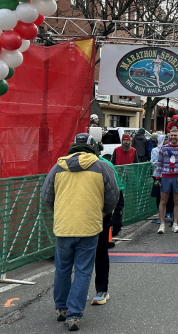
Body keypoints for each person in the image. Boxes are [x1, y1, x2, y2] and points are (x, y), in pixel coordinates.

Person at [41, 133, 119, 332]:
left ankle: (61, 308)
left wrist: (59, 213)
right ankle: (74, 314)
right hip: (89, 226)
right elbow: (113, 196)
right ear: (93, 148)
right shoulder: (102, 167)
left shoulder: (58, 166)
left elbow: (47, 196)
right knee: (83, 270)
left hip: (64, 226)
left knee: (62, 268)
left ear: (73, 147)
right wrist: (102, 213)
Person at [92, 137, 125, 307]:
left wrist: (113, 215)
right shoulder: (65, 165)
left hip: (98, 217)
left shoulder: (105, 165)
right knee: (76, 257)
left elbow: (117, 191)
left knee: (99, 251)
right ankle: (64, 300)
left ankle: (101, 289)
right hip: (77, 219)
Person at [155, 128, 178, 234]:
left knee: (177, 200)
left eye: (175, 135)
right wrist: (157, 177)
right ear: (169, 136)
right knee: (163, 201)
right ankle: (162, 224)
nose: (173, 137)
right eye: (172, 135)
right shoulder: (164, 148)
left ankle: (175, 223)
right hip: (165, 176)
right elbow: (159, 163)